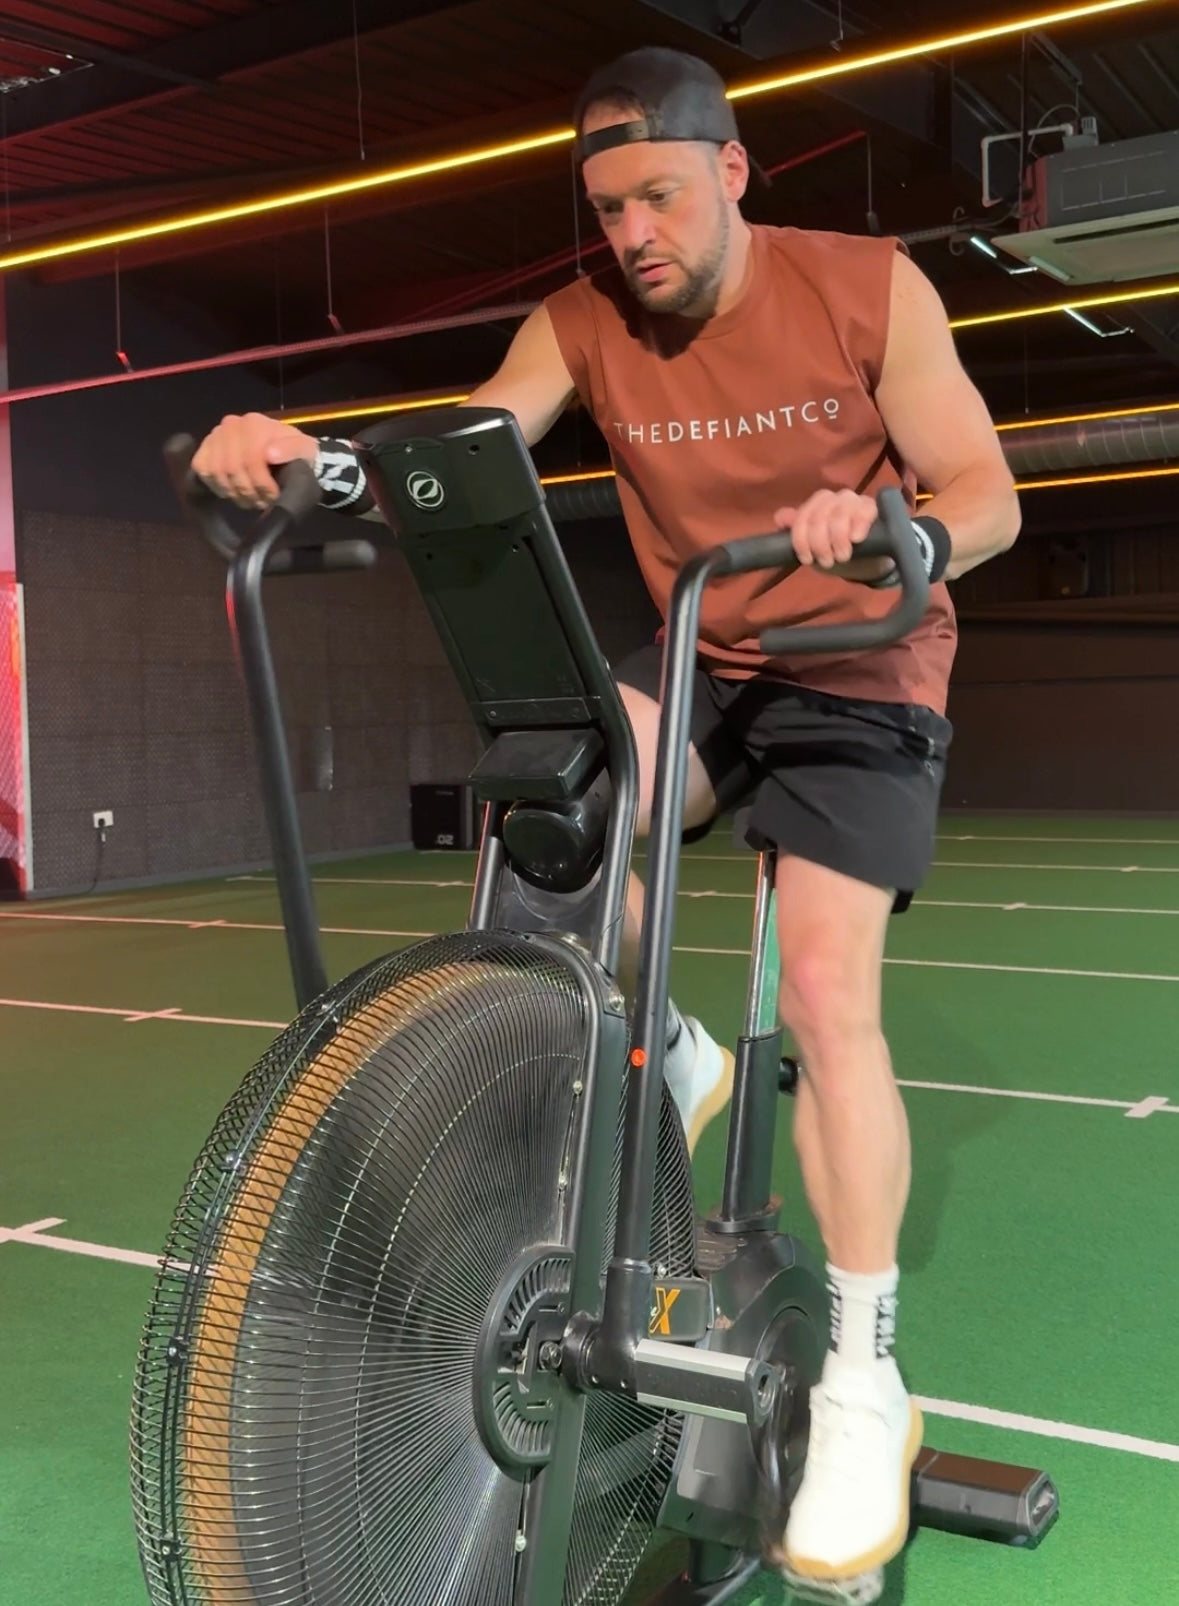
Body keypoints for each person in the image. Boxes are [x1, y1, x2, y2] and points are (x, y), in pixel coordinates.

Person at [190, 44, 1019, 1602]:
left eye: (655, 194)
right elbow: (469, 444)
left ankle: (859, 1371)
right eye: (605, 207)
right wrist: (315, 458)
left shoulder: (868, 287)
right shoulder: (584, 324)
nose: (631, 230)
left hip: (866, 657)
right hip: (709, 653)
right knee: (570, 836)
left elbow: (991, 490)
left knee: (833, 988)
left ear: (733, 169)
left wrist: (899, 526)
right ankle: (681, 1053)